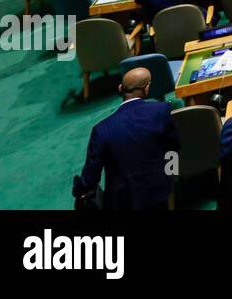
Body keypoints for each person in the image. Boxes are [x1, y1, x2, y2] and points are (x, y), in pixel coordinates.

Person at [74, 67, 178, 210]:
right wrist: (170, 179)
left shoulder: (101, 130)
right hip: (158, 192)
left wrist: (78, 188)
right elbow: (173, 148)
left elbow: (90, 178)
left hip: (121, 202)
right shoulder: (162, 111)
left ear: (120, 88)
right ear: (146, 88)